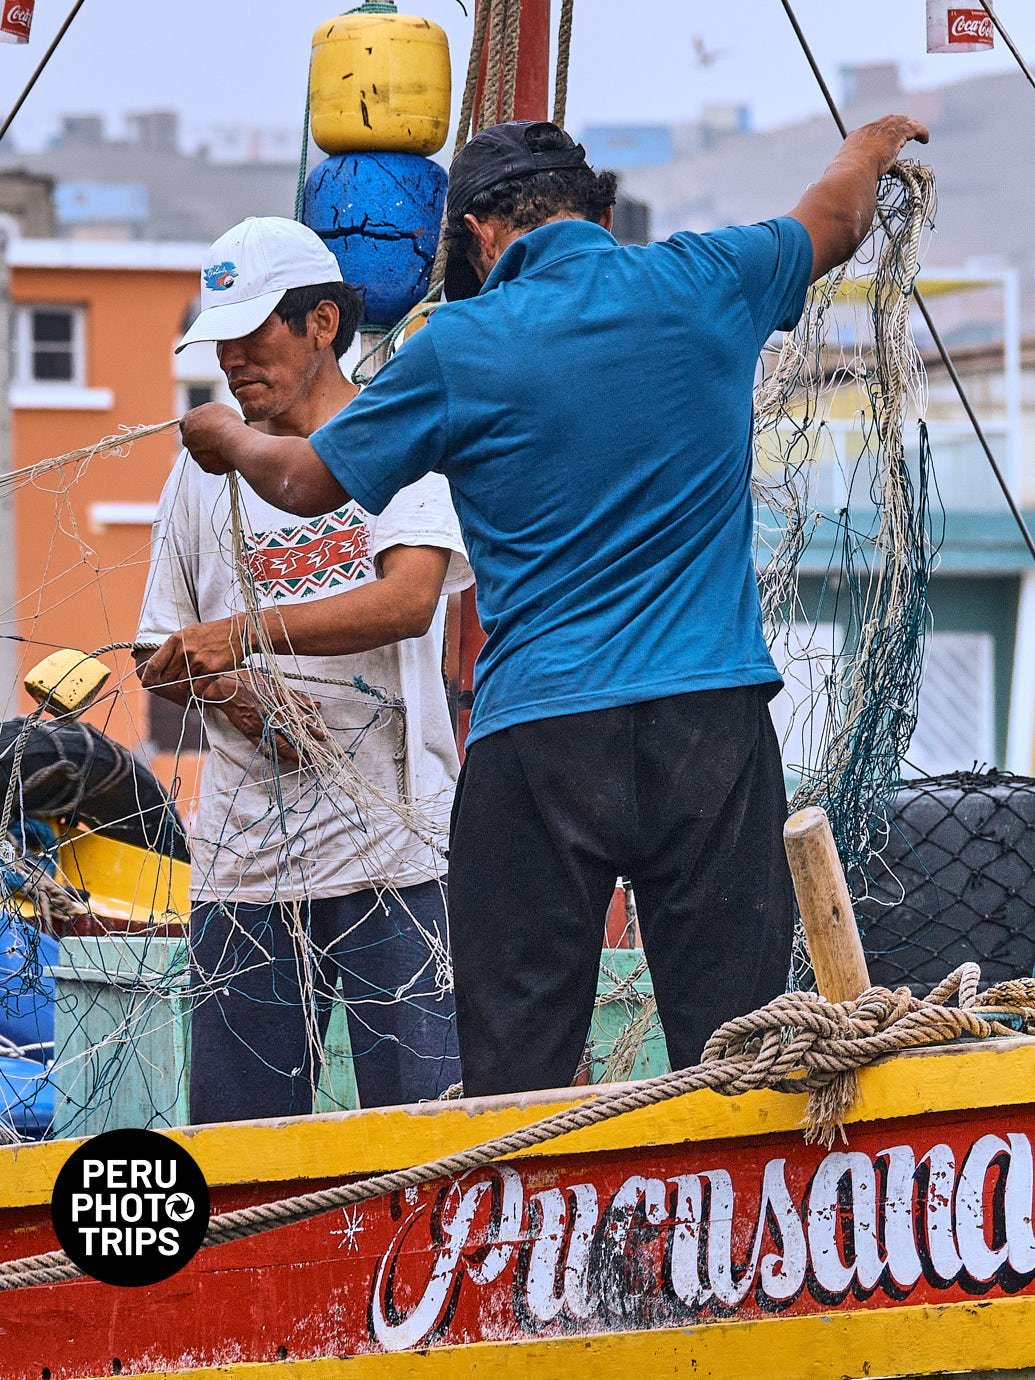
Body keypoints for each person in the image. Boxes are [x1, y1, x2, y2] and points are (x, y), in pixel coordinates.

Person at [167, 115, 930, 1099]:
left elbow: (310, 480)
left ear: (479, 232)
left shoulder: (463, 346)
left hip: (541, 745)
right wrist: (864, 148)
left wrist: (228, 441)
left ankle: (528, 1245)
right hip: (711, 731)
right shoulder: (710, 278)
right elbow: (834, 217)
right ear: (600, 215)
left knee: (515, 1085)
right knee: (740, 1058)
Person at [135, 216, 472, 1121]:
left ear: (323, 322)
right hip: (244, 867)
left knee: (421, 1132)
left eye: (255, 334)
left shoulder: (399, 444)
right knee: (239, 1145)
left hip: (393, 857)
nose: (235, 361)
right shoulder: (199, 476)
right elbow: (157, 650)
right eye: (222, 343)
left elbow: (409, 600)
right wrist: (230, 693)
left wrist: (245, 635)